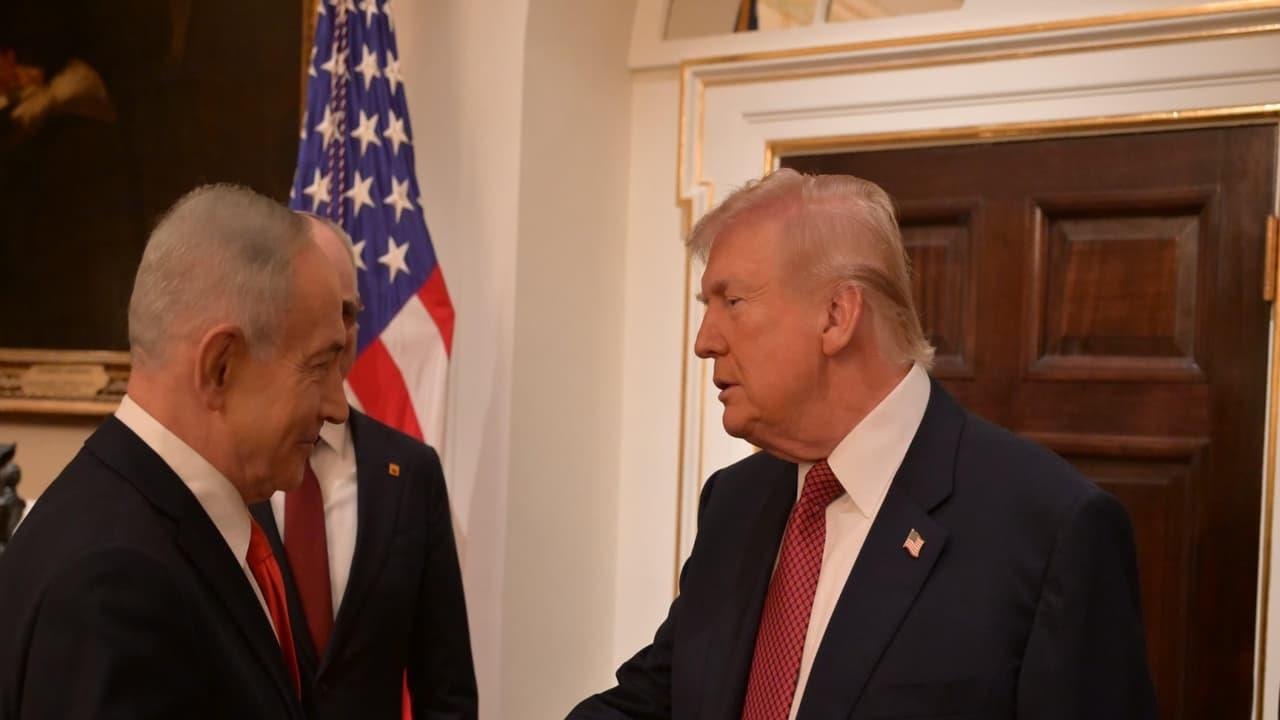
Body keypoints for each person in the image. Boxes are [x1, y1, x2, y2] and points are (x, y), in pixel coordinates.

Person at [570, 169, 1157, 720]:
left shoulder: (1052, 528)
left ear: (836, 315)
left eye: (732, 302)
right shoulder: (734, 501)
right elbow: (659, 701)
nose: (705, 340)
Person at [0, 184, 349, 718]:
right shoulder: (115, 584)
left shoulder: (156, 524)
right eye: (320, 366)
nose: (337, 407)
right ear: (221, 366)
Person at [248, 214, 477, 719]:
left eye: (348, 312)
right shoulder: (231, 466)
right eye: (318, 311)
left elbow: (447, 687)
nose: (338, 331)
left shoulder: (412, 474)